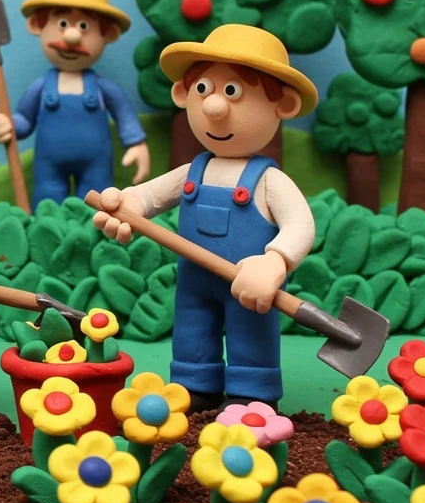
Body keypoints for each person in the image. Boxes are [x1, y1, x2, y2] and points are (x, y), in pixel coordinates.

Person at [92, 25, 317, 411]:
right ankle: (195, 384)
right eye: (204, 90)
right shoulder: (191, 172)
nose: (215, 106)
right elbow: (149, 195)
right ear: (183, 94)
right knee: (192, 330)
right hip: (195, 283)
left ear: (284, 105)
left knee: (252, 335)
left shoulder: (268, 181)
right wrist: (128, 202)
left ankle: (253, 392)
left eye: (233, 91)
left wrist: (275, 260)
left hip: (249, 284)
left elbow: (300, 224)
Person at [0, 0, 150, 208]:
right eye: (62, 24)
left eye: (84, 26)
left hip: (97, 165)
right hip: (48, 165)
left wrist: (137, 144)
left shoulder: (104, 89)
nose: (72, 36)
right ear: (37, 26)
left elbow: (124, 115)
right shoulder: (40, 88)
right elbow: (24, 120)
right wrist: (7, 125)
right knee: (47, 205)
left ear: (108, 34)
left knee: (96, 210)